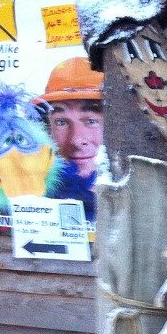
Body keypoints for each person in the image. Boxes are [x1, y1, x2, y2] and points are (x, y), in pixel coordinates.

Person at [34, 56, 105, 223]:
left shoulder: (141, 193)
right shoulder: (34, 193)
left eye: (91, 121)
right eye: (61, 122)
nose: (76, 140)